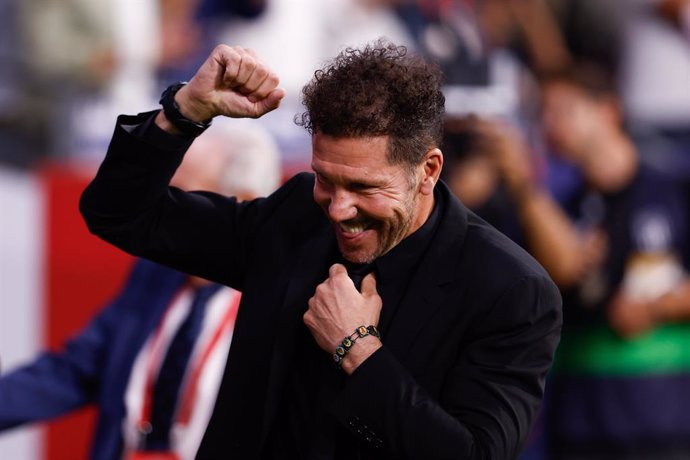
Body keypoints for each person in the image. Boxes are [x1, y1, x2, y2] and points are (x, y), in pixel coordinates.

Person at [79, 41, 562, 459]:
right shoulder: (294, 219)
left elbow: (475, 454)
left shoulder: (510, 290)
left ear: (428, 171)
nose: (338, 209)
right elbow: (118, 214)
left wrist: (358, 350)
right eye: (326, 181)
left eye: (363, 187)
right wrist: (184, 113)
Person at [0, 120, 282, 459]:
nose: (157, 213)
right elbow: (71, 371)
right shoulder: (154, 274)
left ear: (242, 204)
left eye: (176, 196)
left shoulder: (282, 302)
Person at [491, 62, 690, 459]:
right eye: (544, 112)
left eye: (564, 108)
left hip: (663, 416)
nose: (551, 122)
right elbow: (557, 275)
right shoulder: (554, 208)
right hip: (580, 419)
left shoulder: (674, 189)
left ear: (609, 110)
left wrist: (654, 308)